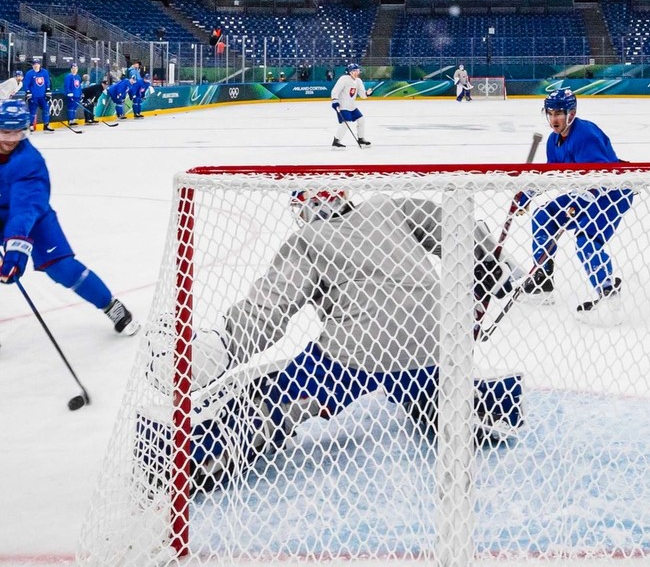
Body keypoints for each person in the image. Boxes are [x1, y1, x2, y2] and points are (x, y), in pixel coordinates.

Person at [153, 190, 522, 486]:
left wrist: (221, 344)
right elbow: (451, 223)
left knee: (273, 396)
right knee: (425, 387)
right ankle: (488, 403)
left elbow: (270, 307)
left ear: (309, 205)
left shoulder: (309, 239)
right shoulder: (388, 207)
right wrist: (489, 258)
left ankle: (187, 457)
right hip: (434, 337)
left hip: (357, 352)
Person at [0, 100, 136, 334]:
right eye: (4, 131)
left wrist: (16, 248)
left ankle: (110, 305)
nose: (11, 139)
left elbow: (24, 209)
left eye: (17, 132)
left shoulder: (29, 162)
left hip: (34, 216)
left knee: (63, 268)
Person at [517, 89, 633, 313]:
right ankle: (542, 281)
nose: (553, 119)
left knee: (586, 241)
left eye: (559, 113)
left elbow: (601, 178)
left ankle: (608, 293)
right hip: (583, 194)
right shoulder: (553, 140)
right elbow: (552, 173)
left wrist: (580, 204)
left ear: (571, 112)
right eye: (550, 113)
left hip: (612, 194)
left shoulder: (585, 135)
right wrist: (527, 194)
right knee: (543, 217)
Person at [330, 63, 371, 149]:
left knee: (361, 120)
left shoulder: (358, 81)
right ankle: (336, 141)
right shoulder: (344, 79)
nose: (356, 72)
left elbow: (362, 95)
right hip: (343, 106)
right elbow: (335, 91)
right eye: (354, 71)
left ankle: (361, 139)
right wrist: (335, 101)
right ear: (350, 72)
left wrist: (367, 94)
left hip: (352, 106)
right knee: (345, 124)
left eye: (357, 70)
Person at [23, 57, 54, 132]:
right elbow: (26, 84)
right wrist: (28, 92)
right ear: (32, 65)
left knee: (46, 110)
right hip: (34, 96)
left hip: (42, 96)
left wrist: (48, 91)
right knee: (32, 111)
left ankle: (46, 125)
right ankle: (31, 126)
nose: (36, 66)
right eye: (34, 64)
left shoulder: (44, 72)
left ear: (40, 65)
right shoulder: (29, 73)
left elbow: (47, 83)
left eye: (37, 64)